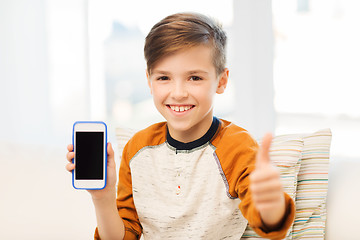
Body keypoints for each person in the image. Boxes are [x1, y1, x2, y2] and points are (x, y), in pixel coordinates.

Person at [66, 12, 295, 240]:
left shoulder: (237, 146)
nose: (178, 93)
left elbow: (269, 222)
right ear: (149, 81)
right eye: (164, 78)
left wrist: (271, 203)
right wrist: (103, 198)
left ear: (221, 81)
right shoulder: (137, 149)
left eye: (194, 78)